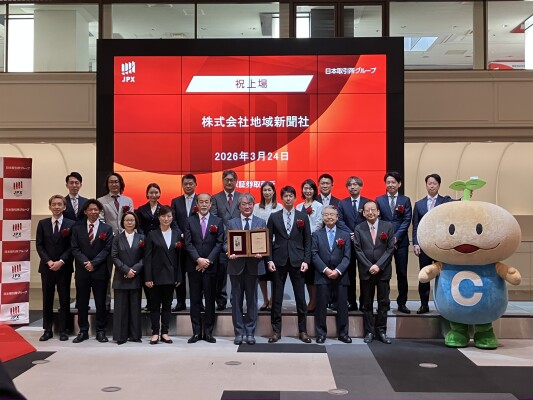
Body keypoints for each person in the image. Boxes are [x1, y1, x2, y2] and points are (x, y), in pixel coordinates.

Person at [266, 185, 312, 344]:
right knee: (277, 298)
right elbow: (268, 240)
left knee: (300, 298)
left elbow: (308, 240)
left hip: (298, 261)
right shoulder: (274, 216)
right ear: (281, 198)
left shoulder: (302, 216)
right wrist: (269, 259)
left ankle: (303, 331)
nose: (288, 198)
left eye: (290, 196)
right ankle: (276, 331)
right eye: (285, 196)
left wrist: (306, 260)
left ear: (295, 198)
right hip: (278, 261)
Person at [71, 199, 114, 343]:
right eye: (90, 209)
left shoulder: (106, 229)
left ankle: (101, 331)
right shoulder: (77, 228)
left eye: (96, 209)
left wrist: (94, 263)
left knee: (101, 302)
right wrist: (86, 263)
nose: (93, 212)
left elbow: (107, 249)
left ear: (100, 211)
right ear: (85, 211)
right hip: (82, 271)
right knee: (82, 302)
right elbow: (75, 248)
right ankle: (83, 331)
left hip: (100, 271)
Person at [184, 193, 225, 343]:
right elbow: (188, 243)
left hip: (210, 266)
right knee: (195, 300)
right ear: (197, 203)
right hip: (194, 266)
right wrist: (198, 259)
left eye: (206, 202)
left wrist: (208, 260)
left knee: (209, 300)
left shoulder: (217, 221)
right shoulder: (189, 221)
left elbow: (220, 243)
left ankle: (208, 332)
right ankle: (196, 332)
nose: (203, 204)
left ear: (210, 204)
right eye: (201, 202)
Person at [353, 201, 395, 344]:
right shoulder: (359, 228)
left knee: (383, 302)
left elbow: (390, 248)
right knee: (367, 302)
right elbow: (358, 250)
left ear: (378, 212)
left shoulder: (387, 226)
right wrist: (369, 266)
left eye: (373, 209)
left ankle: (381, 331)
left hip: (383, 271)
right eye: (367, 210)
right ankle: (369, 331)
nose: (370, 212)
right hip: (366, 271)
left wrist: (378, 265)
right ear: (363, 213)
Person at [227, 193, 267, 345]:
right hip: (236, 266)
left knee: (252, 300)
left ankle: (250, 332)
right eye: (244, 204)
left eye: (250, 204)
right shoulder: (231, 223)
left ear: (253, 205)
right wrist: (229, 251)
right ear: (239, 206)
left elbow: (265, 243)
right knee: (236, 301)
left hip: (254, 266)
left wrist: (262, 252)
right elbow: (225, 243)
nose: (247, 206)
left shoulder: (261, 222)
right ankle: (238, 333)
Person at [35, 195, 75, 341]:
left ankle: (63, 330)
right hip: (47, 268)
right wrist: (49, 261)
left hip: (64, 268)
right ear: (49, 207)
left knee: (64, 299)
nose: (57, 207)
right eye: (54, 204)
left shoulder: (71, 224)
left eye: (59, 204)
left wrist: (61, 261)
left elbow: (72, 246)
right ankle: (47, 329)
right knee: (47, 299)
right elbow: (39, 245)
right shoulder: (42, 223)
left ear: (64, 207)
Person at [412, 173, 453, 314]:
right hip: (424, 245)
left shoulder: (445, 201)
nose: (431, 186)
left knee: (442, 275)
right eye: (429, 183)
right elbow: (415, 226)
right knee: (424, 275)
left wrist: (467, 193)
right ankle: (424, 305)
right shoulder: (419, 204)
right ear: (426, 185)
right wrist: (416, 243)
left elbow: (458, 202)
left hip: (441, 245)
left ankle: (443, 306)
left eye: (434, 183)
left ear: (439, 185)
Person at [312, 206, 351, 344]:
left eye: (332, 215)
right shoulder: (316, 234)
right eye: (326, 215)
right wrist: (326, 270)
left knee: (342, 306)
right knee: (321, 306)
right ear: (322, 217)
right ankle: (321, 333)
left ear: (337, 217)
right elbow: (314, 254)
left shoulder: (345, 235)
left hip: (341, 276)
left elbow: (347, 257)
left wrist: (338, 271)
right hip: (322, 275)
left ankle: (343, 333)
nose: (329, 217)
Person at [144, 205, 182, 345]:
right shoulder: (152, 234)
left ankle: (165, 332)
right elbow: (147, 258)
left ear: (172, 218)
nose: (166, 219)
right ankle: (155, 332)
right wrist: (148, 277)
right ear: (159, 217)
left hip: (171, 276)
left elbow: (179, 258)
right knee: (154, 305)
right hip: (155, 276)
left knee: (167, 305)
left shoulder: (177, 234)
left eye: (169, 216)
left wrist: (179, 276)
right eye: (163, 216)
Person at [376, 172, 413, 314]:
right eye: (388, 182)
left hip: (401, 242)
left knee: (402, 273)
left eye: (393, 182)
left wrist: (396, 237)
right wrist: (388, 237)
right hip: (384, 242)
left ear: (399, 184)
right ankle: (384, 302)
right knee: (384, 274)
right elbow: (378, 220)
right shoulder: (379, 200)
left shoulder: (405, 200)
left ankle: (402, 303)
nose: (390, 185)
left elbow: (407, 220)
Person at [98, 172, 135, 309]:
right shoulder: (101, 201)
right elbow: (101, 220)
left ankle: (125, 303)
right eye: (111, 182)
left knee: (125, 271)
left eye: (116, 181)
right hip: (108, 241)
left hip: (126, 241)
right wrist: (112, 235)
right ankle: (106, 303)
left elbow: (131, 218)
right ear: (107, 185)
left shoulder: (128, 200)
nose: (114, 184)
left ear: (121, 184)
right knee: (107, 274)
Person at [336, 176, 371, 311]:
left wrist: (359, 234)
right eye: (350, 185)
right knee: (349, 274)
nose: (353, 187)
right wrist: (351, 233)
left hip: (364, 243)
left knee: (364, 273)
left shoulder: (368, 202)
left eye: (355, 184)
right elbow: (339, 221)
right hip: (348, 242)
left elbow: (371, 219)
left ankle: (364, 302)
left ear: (361, 186)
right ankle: (351, 302)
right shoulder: (342, 203)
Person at [111, 211, 144, 344]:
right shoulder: (117, 238)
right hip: (121, 277)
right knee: (120, 309)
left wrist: (134, 270)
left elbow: (144, 257)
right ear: (122, 222)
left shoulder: (141, 237)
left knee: (135, 308)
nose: (129, 222)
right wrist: (125, 269)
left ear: (136, 222)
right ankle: (120, 336)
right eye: (127, 220)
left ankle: (135, 336)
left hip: (136, 276)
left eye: (132, 220)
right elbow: (114, 256)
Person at [210, 170, 241, 311]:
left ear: (236, 181)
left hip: (239, 241)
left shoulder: (241, 197)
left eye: (231, 180)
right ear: (223, 181)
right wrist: (225, 234)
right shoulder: (215, 198)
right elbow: (215, 218)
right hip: (221, 240)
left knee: (237, 273)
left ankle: (236, 300)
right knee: (221, 274)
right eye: (226, 179)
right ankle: (221, 301)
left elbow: (244, 216)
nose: (229, 182)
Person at [170, 174, 199, 312]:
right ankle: (180, 302)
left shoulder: (201, 200)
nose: (188, 186)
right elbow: (173, 220)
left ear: (195, 185)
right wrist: (181, 233)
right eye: (185, 184)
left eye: (190, 183)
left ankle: (198, 302)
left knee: (197, 274)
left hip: (196, 243)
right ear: (182, 185)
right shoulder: (176, 201)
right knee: (180, 273)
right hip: (180, 243)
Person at [253, 181, 282, 311]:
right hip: (260, 245)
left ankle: (272, 299)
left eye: (269, 190)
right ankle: (265, 299)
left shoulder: (279, 207)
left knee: (274, 274)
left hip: (275, 244)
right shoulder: (256, 207)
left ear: (274, 191)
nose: (267, 192)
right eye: (264, 190)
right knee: (262, 275)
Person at [295, 179, 323, 312]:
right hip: (300, 244)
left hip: (313, 242)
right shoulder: (298, 206)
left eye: (310, 188)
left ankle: (314, 301)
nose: (308, 191)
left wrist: (307, 233)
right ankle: (311, 300)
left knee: (312, 273)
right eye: (305, 188)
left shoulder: (319, 206)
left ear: (314, 190)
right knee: (305, 274)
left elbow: (319, 224)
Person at [135, 183, 162, 311]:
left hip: (159, 244)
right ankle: (149, 302)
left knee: (156, 272)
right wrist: (145, 238)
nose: (153, 195)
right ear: (147, 194)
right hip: (144, 244)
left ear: (159, 194)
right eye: (151, 192)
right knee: (146, 272)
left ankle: (157, 301)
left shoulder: (163, 209)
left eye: (156, 192)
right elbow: (138, 226)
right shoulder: (141, 209)